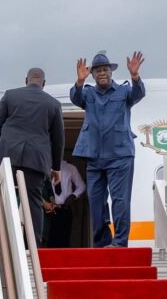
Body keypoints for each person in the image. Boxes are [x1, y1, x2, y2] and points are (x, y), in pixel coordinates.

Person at [70, 52, 145, 247]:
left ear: (111, 72)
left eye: (105, 69)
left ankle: (120, 241)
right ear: (92, 75)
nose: (102, 73)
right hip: (94, 156)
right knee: (96, 201)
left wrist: (135, 76)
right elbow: (75, 98)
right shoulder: (87, 93)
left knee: (120, 200)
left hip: (120, 155)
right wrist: (79, 81)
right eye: (98, 70)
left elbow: (139, 93)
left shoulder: (124, 92)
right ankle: (102, 242)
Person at [0, 67, 64, 245]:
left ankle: (3, 242)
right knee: (33, 202)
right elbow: (58, 139)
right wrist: (56, 168)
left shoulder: (10, 95)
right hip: (36, 160)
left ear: (26, 80)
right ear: (43, 83)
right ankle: (33, 246)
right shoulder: (53, 104)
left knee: (5, 198)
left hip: (7, 156)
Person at [47, 159, 86, 248]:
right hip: (49, 209)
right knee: (49, 241)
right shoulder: (46, 167)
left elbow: (81, 185)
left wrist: (73, 196)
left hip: (64, 209)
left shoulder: (70, 168)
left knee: (64, 241)